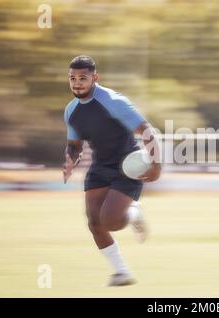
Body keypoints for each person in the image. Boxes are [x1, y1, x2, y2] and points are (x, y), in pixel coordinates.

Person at [62, 55, 161, 285]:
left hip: (128, 165)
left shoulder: (113, 101)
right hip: (100, 166)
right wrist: (70, 159)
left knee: (111, 221)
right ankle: (122, 272)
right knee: (94, 222)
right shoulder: (71, 111)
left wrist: (156, 165)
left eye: (83, 78)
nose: (77, 83)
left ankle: (134, 212)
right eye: (72, 78)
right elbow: (75, 145)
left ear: (94, 78)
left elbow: (147, 131)